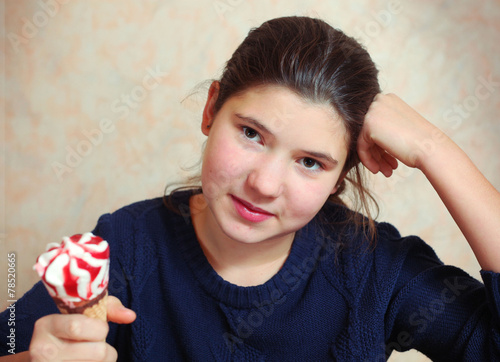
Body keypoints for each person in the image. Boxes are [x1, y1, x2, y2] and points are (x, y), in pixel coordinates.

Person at [1, 15, 500, 361]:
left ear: (339, 179)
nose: (263, 184)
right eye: (251, 134)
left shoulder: (375, 268)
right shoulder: (128, 247)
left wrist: (436, 149)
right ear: (210, 109)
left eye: (309, 162)